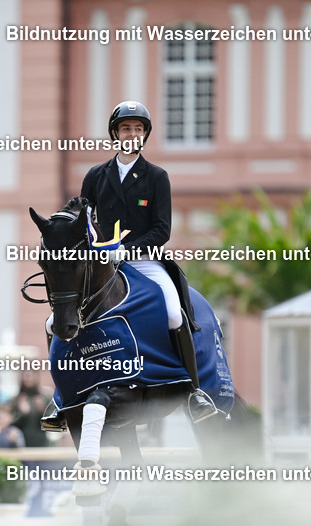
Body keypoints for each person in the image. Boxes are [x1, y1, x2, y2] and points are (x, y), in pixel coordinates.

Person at [75, 99, 219, 423]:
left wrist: (128, 249)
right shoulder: (96, 176)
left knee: (171, 309)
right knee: (68, 309)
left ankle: (193, 391)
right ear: (115, 134)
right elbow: (81, 217)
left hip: (144, 261)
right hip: (102, 264)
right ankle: (62, 397)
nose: (132, 134)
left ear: (144, 135)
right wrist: (96, 244)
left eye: (138, 129)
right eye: (126, 128)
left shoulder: (156, 176)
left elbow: (162, 228)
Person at [10, 371, 51, 448]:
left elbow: (52, 424)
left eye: (31, 375)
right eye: (26, 376)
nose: (28, 378)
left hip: (41, 443)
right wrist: (22, 414)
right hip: (20, 444)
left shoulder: (45, 398)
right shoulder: (16, 400)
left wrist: (41, 412)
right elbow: (10, 424)